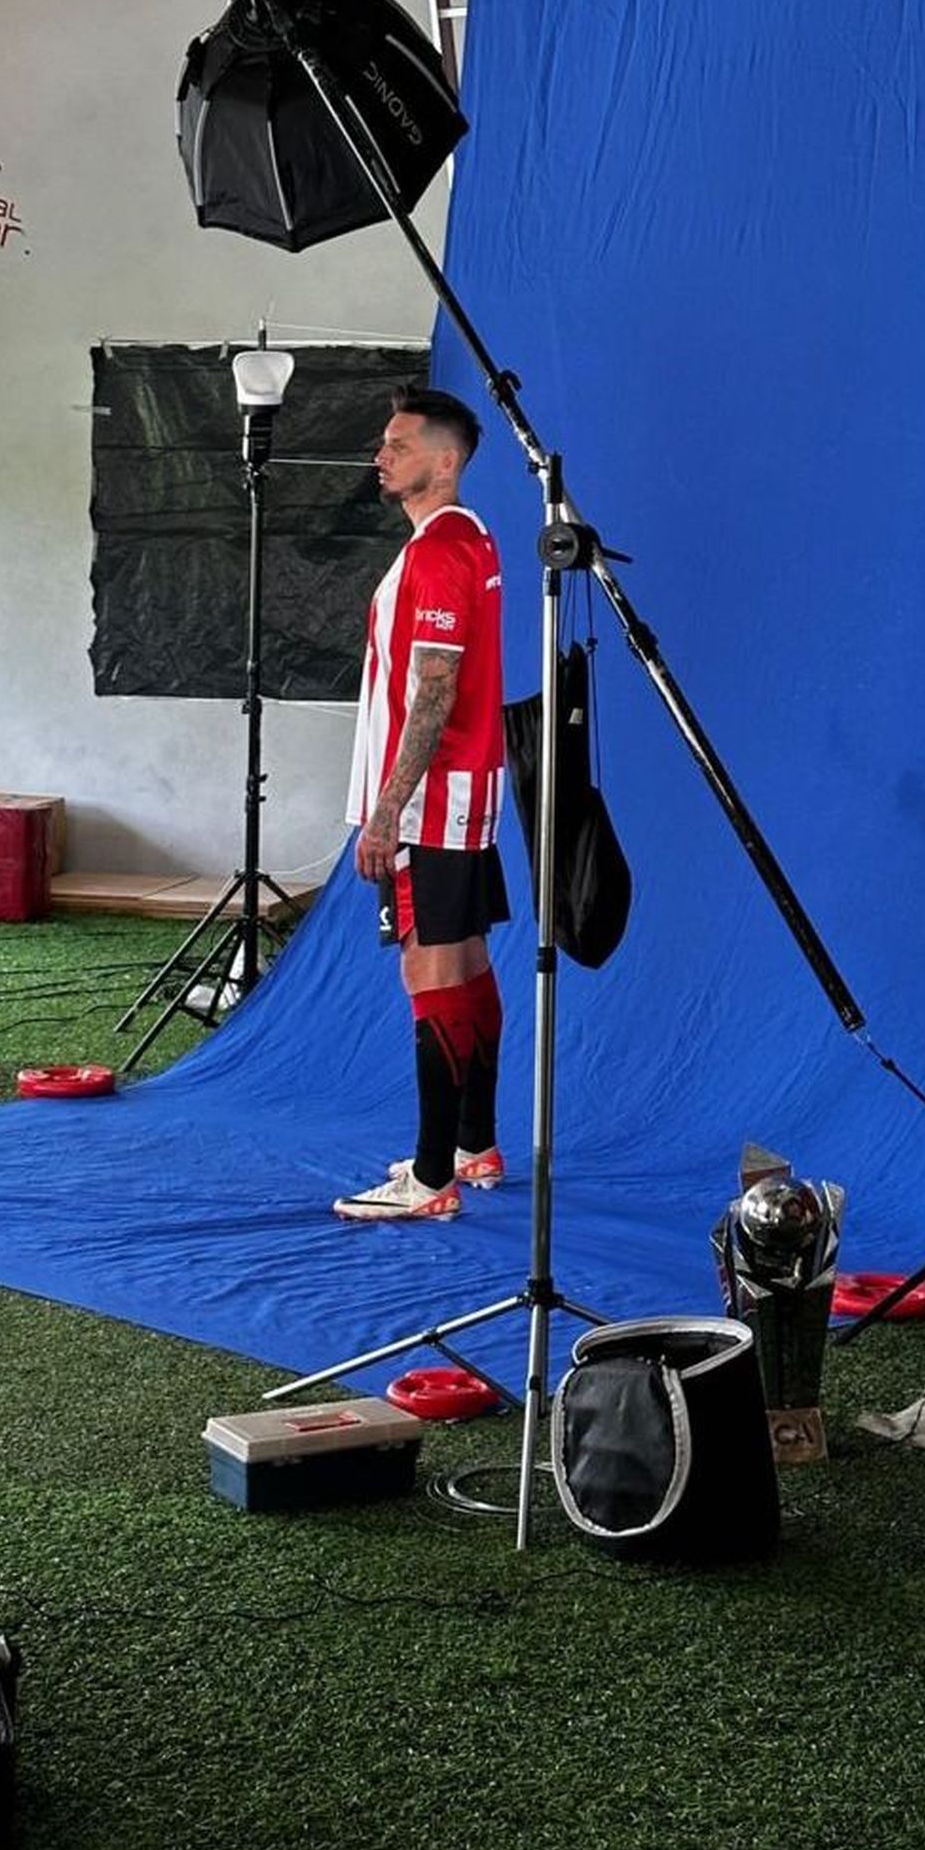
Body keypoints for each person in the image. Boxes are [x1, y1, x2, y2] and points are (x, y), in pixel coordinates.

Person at [333, 382, 509, 1221]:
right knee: (466, 959)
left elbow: (433, 691)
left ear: (444, 462)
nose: (382, 455)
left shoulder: (442, 549)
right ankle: (475, 1145)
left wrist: (384, 808)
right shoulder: (469, 541)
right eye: (382, 444)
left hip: (431, 800)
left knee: (429, 967)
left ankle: (432, 1177)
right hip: (465, 793)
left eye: (398, 445)